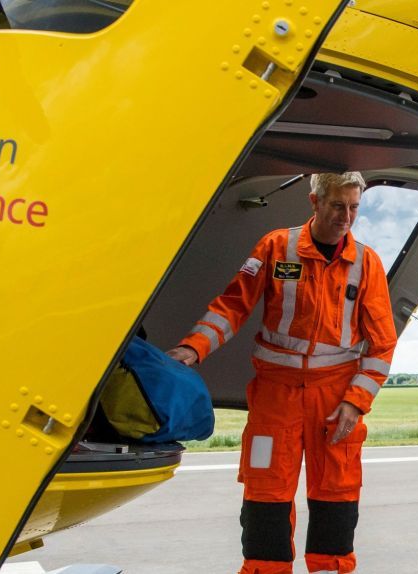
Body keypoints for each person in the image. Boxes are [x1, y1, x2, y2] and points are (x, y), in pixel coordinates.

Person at [166, 172, 398, 574]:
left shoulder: (367, 263)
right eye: (337, 206)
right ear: (315, 201)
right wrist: (193, 347)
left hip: (334, 397)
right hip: (277, 395)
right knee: (265, 493)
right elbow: (233, 305)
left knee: (337, 493)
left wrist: (355, 403)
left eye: (354, 207)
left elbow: (382, 345)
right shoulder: (276, 248)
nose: (346, 217)